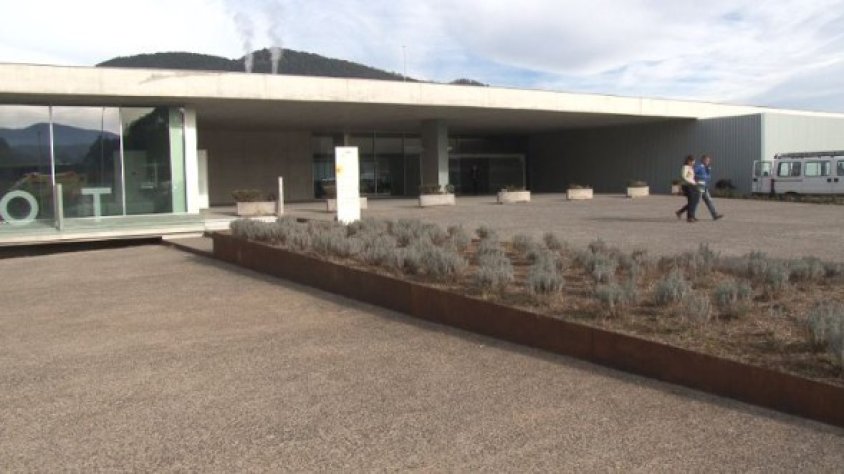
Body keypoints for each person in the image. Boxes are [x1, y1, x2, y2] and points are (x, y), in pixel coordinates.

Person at [694, 154, 724, 220]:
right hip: (700, 185)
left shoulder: (706, 168)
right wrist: (701, 177)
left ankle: (715, 215)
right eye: (707, 160)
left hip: (704, 186)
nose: (708, 162)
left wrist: (708, 171)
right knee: (696, 201)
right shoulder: (699, 167)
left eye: (709, 161)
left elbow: (708, 177)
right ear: (703, 160)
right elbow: (693, 173)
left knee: (709, 200)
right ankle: (691, 215)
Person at [676, 155, 699, 222]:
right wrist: (691, 182)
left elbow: (691, 177)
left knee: (695, 200)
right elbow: (683, 176)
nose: (693, 163)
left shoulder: (691, 168)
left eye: (694, 161)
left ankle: (681, 212)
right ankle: (690, 217)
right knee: (691, 201)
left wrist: (695, 182)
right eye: (692, 161)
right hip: (687, 186)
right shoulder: (685, 167)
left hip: (693, 185)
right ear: (688, 161)